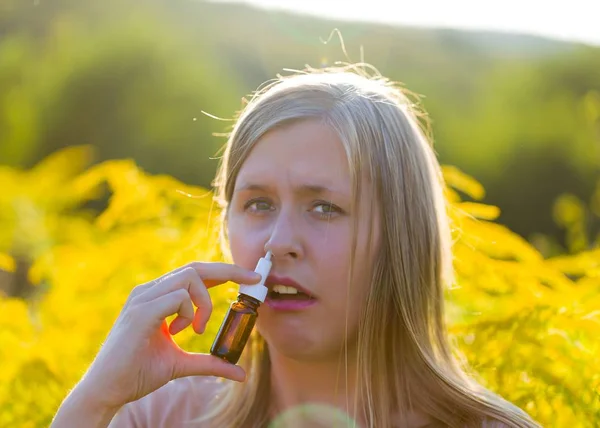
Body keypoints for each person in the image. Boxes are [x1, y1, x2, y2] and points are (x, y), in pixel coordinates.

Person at [51, 64, 540, 428]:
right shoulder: (158, 415)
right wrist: (94, 399)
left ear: (403, 238)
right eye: (258, 204)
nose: (278, 243)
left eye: (324, 207)